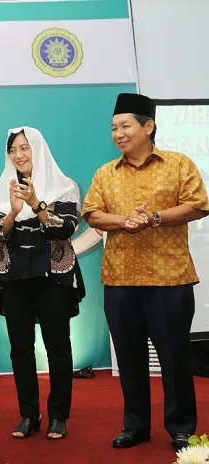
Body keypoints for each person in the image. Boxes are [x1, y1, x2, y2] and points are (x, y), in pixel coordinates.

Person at [82, 93, 209, 451]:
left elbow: (197, 205)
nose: (118, 134)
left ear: (148, 126)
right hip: (120, 280)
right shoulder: (105, 173)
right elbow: (92, 214)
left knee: (175, 357)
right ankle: (136, 425)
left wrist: (153, 218)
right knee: (130, 357)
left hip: (169, 279)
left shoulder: (178, 164)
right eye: (113, 128)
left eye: (125, 126)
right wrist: (125, 221)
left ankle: (181, 426)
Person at [0, 126, 85, 441]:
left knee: (57, 345)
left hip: (53, 275)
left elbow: (65, 228)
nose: (19, 154)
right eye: (13, 149)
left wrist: (38, 204)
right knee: (20, 348)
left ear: (38, 150)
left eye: (25, 147)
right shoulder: (4, 189)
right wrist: (14, 212)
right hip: (14, 277)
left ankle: (58, 414)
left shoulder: (63, 186)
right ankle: (29, 414)